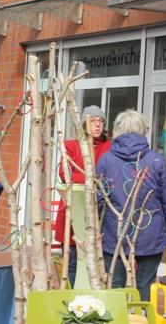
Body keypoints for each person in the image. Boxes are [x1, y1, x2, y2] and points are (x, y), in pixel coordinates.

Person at [96, 109, 166, 301]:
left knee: (115, 287)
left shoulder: (106, 159)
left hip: (115, 233)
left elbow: (97, 200)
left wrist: (95, 231)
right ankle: (142, 316)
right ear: (142, 129)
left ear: (117, 129)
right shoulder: (156, 160)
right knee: (144, 287)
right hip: (150, 234)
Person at [55, 105, 111, 288]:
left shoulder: (110, 147)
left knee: (100, 263)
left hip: (101, 214)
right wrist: (94, 178)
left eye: (101, 121)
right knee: (72, 262)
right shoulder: (71, 146)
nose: (98, 124)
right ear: (84, 124)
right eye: (93, 121)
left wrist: (90, 178)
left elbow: (111, 177)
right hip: (73, 213)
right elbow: (66, 175)